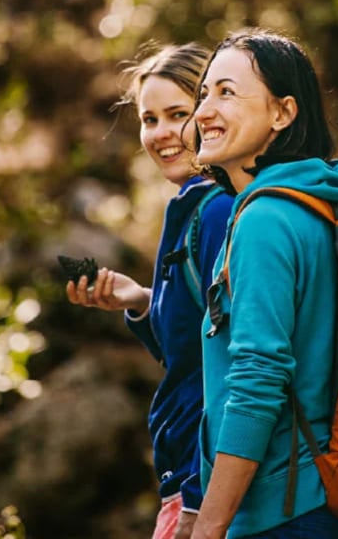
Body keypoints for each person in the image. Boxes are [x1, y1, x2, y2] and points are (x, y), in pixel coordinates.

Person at [190, 29, 338, 539]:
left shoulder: (265, 220)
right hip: (329, 497)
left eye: (226, 93)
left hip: (285, 511)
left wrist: (209, 526)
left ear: (283, 113)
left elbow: (258, 380)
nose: (203, 112)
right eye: (204, 93)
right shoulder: (319, 204)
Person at [66, 42, 232, 539]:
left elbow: (236, 368)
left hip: (205, 484)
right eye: (148, 118)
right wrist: (140, 301)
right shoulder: (189, 208)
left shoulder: (220, 212)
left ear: (211, 114)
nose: (159, 134)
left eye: (176, 114)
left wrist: (203, 500)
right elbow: (190, 350)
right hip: (188, 475)